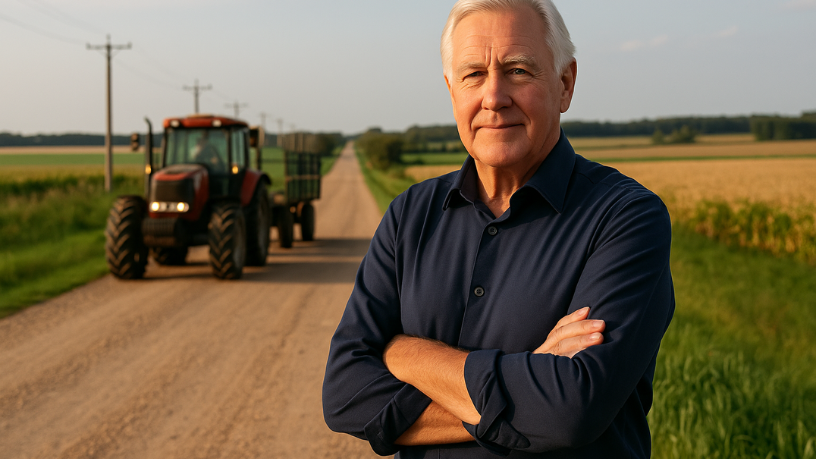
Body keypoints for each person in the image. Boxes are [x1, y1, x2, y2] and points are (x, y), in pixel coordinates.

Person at [322, 0, 675, 457]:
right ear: (452, 91)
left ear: (565, 84)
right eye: (473, 74)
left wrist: (406, 354)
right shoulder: (411, 215)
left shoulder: (625, 217)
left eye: (518, 71)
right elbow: (345, 395)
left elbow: (570, 412)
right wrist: (529, 382)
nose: (493, 96)